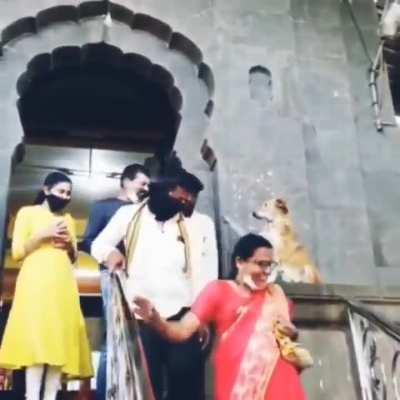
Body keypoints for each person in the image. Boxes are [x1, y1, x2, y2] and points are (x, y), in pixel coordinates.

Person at [133, 233, 307, 400]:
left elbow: (289, 336)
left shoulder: (275, 294)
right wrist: (156, 320)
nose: (267, 271)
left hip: (280, 381)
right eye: (260, 264)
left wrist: (290, 330)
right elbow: (181, 331)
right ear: (239, 262)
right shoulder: (218, 291)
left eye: (270, 265)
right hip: (235, 378)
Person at [91, 173, 217, 400]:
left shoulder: (201, 223)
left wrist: (202, 316)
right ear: (162, 191)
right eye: (182, 198)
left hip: (183, 319)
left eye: (191, 198)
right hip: (139, 320)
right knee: (144, 390)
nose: (187, 202)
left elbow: (207, 273)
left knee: (186, 390)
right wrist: (110, 252)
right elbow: (99, 243)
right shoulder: (128, 215)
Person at [0, 172, 93, 400]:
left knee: (58, 341)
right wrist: (43, 234)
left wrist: (70, 246)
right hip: (35, 283)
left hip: (63, 285)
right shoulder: (27, 213)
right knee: (37, 339)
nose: (65, 196)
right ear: (46, 189)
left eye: (69, 193)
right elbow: (18, 251)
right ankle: (31, 396)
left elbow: (73, 261)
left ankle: (51, 396)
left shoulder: (69, 220)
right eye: (61, 191)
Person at [80, 163, 150, 400]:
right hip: (112, 277)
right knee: (114, 336)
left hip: (142, 278)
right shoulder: (104, 207)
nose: (146, 188)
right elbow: (89, 241)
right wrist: (110, 254)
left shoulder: (147, 210)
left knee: (141, 338)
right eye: (142, 183)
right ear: (126, 181)